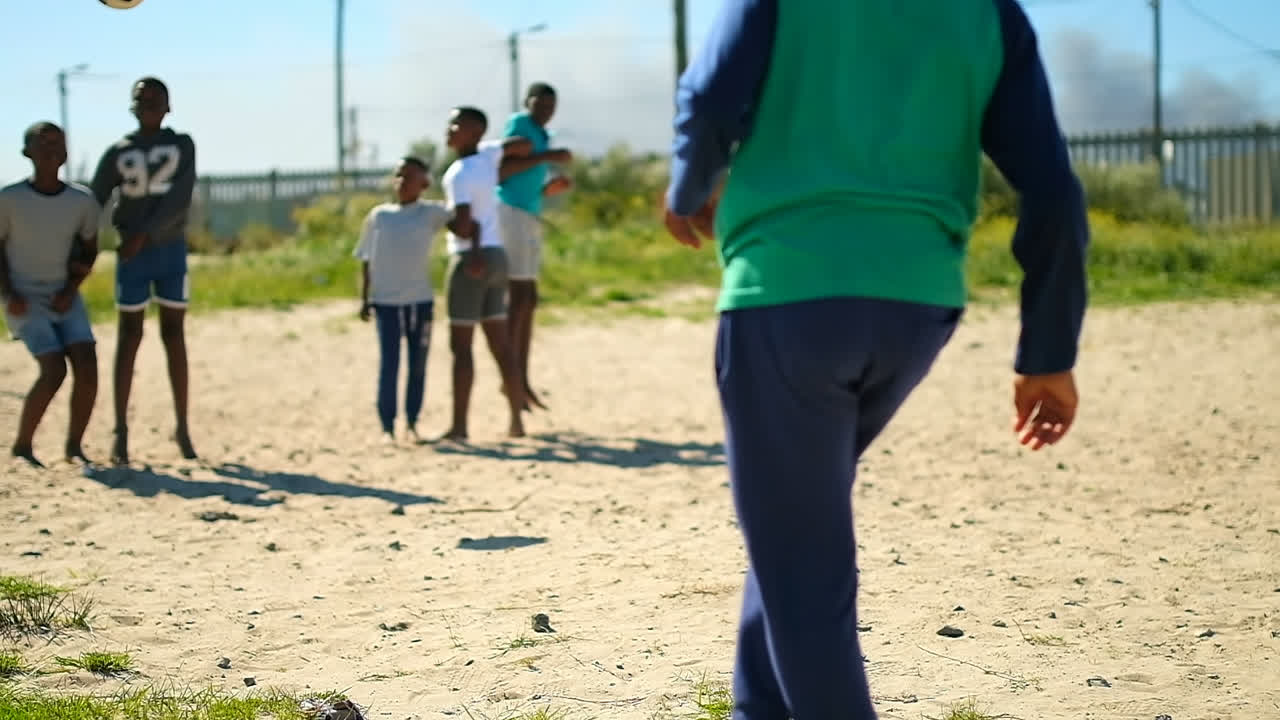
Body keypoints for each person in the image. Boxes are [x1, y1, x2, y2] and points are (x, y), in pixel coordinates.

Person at [662, 1, 1090, 718]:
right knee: (795, 524)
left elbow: (708, 99)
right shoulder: (990, 10)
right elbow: (1052, 187)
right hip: (917, 309)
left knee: (801, 559)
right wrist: (1048, 350)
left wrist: (688, 186)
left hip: (787, 295)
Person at [90, 76, 198, 465]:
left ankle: (183, 426)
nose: (149, 104)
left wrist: (145, 233)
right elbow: (94, 198)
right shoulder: (120, 151)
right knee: (129, 335)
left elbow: (179, 198)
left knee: (174, 333)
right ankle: (120, 430)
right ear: (132, 106)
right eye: (142, 99)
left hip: (169, 251)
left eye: (156, 99)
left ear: (168, 106)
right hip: (132, 257)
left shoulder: (181, 145)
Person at [1, 123, 101, 468]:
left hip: (64, 295)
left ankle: (74, 447)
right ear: (27, 152)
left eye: (57, 144)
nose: (51, 150)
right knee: (54, 368)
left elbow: (90, 250)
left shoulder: (81, 201)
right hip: (23, 298)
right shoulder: (9, 200)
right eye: (42, 144)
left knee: (87, 365)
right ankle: (23, 445)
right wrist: (9, 292)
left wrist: (71, 289)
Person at [438, 106, 534, 441]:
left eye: (457, 125)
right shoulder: (488, 157)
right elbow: (520, 143)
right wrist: (499, 146)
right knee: (501, 344)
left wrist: (442, 219)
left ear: (474, 131)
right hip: (498, 256)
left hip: (470, 260)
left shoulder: (458, 174)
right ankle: (515, 422)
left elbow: (464, 225)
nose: (449, 130)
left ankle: (460, 426)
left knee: (461, 346)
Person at [354, 156, 451, 444]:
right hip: (385, 303)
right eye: (398, 175)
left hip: (419, 302)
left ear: (424, 183)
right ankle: (387, 426)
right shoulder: (379, 216)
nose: (402, 182)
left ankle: (412, 422)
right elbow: (366, 258)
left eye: (410, 176)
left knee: (417, 364)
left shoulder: (431, 214)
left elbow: (463, 219)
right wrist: (365, 298)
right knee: (389, 364)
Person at [495, 82, 574, 411]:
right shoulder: (520, 128)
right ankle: (512, 378)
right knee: (518, 298)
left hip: (528, 213)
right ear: (528, 103)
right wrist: (548, 157)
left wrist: (547, 189)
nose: (545, 111)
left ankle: (520, 378)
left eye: (550, 106)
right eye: (540, 104)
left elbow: (524, 181)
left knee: (528, 300)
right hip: (510, 213)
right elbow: (501, 171)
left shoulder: (542, 136)